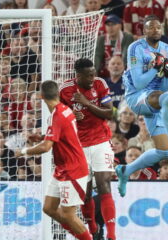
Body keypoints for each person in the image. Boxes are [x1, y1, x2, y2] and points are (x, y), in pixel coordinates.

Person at [116, 15, 168, 197]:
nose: (155, 31)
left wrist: (165, 73)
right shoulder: (136, 48)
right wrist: (155, 67)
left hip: (155, 100)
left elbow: (166, 86)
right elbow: (139, 83)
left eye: (158, 28)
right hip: (136, 97)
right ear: (144, 30)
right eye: (151, 28)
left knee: (161, 151)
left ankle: (125, 171)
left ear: (162, 30)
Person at [15, 80, 92, 240]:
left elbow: (45, 148)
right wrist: (42, 137)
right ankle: (81, 236)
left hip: (73, 170)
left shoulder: (56, 116)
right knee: (49, 208)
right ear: (57, 94)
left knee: (69, 216)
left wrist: (23, 151)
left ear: (41, 96)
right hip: (62, 169)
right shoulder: (65, 110)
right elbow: (61, 135)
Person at [59, 58, 116, 240]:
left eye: (93, 73)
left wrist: (87, 103)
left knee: (104, 184)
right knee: (85, 193)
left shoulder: (100, 84)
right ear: (78, 76)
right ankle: (93, 228)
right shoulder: (65, 90)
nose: (93, 77)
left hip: (100, 140)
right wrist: (70, 116)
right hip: (78, 147)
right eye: (88, 75)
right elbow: (58, 119)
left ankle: (112, 236)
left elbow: (109, 113)